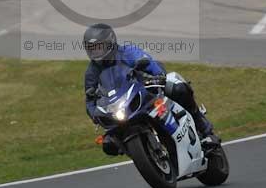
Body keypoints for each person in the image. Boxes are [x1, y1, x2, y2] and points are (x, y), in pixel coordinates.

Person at [83, 23, 218, 155]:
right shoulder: (91, 72)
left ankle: (203, 128)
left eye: (99, 47)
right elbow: (90, 98)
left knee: (177, 88)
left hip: (145, 91)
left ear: (110, 42)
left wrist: (158, 75)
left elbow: (148, 62)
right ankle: (142, 152)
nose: (96, 52)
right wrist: (94, 114)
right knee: (108, 143)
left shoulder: (127, 52)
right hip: (121, 106)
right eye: (92, 49)